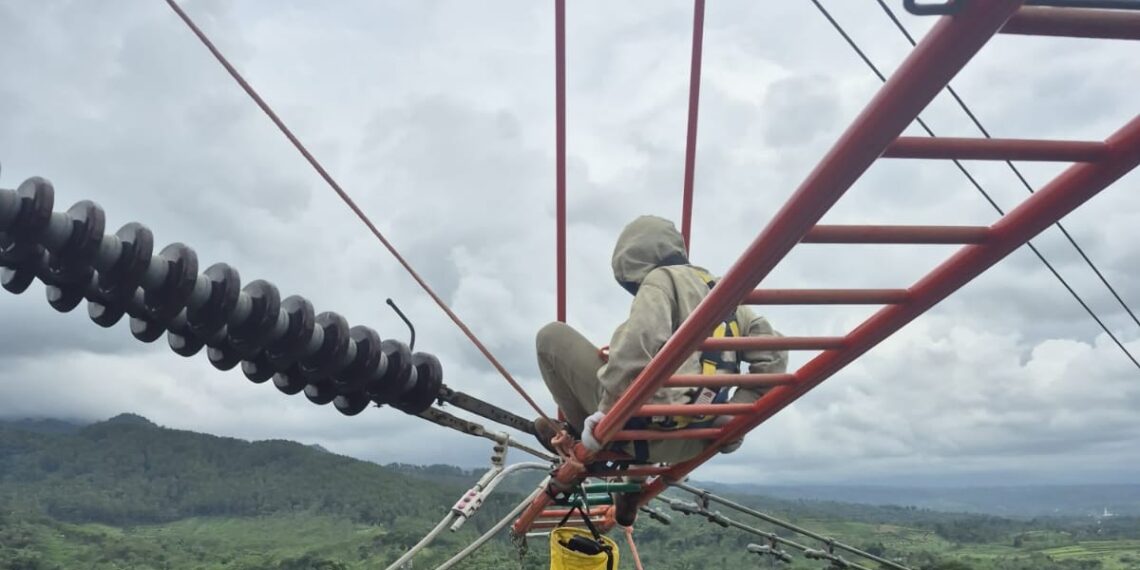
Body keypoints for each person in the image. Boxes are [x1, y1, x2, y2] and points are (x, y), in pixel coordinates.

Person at [533, 215, 787, 526]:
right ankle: (632, 481)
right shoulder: (730, 298)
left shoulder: (661, 280)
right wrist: (735, 415)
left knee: (551, 337)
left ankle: (577, 434)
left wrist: (605, 418)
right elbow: (774, 356)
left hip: (637, 431)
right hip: (697, 440)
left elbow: (636, 346)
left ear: (632, 263)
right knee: (648, 382)